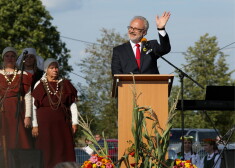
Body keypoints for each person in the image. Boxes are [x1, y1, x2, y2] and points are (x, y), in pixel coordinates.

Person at [31, 58, 79, 168]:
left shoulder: (65, 83)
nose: (55, 70)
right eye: (51, 68)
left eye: (56, 67)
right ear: (46, 70)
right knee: (47, 150)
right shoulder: (40, 84)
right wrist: (35, 125)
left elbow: (72, 104)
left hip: (62, 124)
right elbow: (33, 106)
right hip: (45, 125)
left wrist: (75, 122)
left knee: (63, 149)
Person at [0, 47, 32, 149]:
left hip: (19, 110)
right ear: (3, 58)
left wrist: (28, 116)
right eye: (7, 56)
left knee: (20, 139)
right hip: (3, 111)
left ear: (16, 58)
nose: (10, 58)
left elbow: (28, 96)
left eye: (13, 56)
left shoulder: (23, 75)